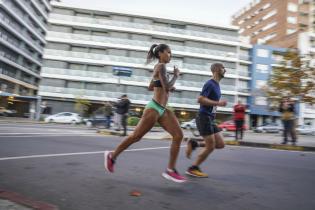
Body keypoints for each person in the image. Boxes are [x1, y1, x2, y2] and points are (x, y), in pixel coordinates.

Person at [104, 44, 186, 183]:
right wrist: (175, 76)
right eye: (168, 52)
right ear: (160, 53)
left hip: (163, 109)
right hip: (154, 108)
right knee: (136, 136)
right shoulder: (161, 66)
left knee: (178, 135)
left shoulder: (160, 69)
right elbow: (166, 86)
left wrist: (166, 85)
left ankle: (170, 170)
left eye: (171, 53)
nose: (170, 55)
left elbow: (151, 87)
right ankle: (112, 156)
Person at [185, 63, 226, 178]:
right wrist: (218, 103)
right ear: (217, 70)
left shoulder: (217, 85)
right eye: (223, 68)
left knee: (220, 144)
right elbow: (200, 99)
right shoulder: (210, 83)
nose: (225, 70)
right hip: (204, 117)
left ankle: (194, 143)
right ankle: (193, 168)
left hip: (210, 119)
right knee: (211, 146)